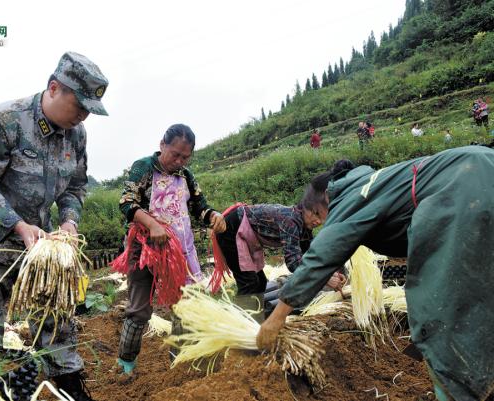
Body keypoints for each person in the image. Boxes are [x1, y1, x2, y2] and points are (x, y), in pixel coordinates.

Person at [257, 147, 494, 401]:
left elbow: (321, 255)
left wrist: (276, 318)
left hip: (464, 193)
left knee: (438, 315)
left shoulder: (351, 195)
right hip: (483, 167)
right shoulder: (377, 181)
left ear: (326, 198)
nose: (323, 222)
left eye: (320, 214)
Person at [0, 51, 108, 401]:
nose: (84, 115)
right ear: (54, 88)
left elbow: (75, 187)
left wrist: (69, 222)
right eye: (79, 105)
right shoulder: (5, 122)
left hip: (41, 245)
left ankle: (68, 386)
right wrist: (19, 226)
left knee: (56, 315)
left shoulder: (77, 135)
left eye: (89, 109)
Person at [114, 124, 226, 375]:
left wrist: (214, 216)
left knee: (185, 305)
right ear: (162, 145)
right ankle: (125, 365)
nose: (179, 161)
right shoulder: (143, 167)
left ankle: (180, 361)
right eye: (175, 154)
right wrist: (152, 224)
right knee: (139, 310)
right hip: (144, 248)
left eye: (185, 157)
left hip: (179, 252)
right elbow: (126, 203)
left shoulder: (186, 176)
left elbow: (200, 207)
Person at [212, 202, 345, 320]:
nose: (318, 221)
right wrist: (324, 279)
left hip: (247, 235)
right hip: (231, 229)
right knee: (249, 284)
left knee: (261, 284)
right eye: (315, 214)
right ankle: (239, 326)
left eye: (321, 217)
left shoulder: (304, 227)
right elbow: (293, 263)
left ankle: (255, 320)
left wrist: (329, 273)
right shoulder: (291, 221)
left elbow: (311, 257)